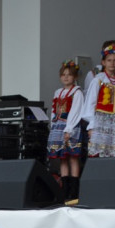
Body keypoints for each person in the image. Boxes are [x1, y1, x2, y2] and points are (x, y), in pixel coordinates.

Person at [81, 42, 115, 158]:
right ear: (103, 62)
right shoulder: (98, 80)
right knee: (102, 153)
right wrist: (92, 126)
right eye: (109, 60)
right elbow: (90, 104)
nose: (112, 63)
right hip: (102, 123)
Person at [47, 59, 85, 202]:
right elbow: (54, 110)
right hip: (58, 127)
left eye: (69, 75)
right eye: (63, 75)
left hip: (71, 127)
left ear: (75, 77)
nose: (66, 77)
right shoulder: (58, 92)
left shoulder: (77, 92)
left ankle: (74, 191)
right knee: (62, 159)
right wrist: (53, 125)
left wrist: (69, 129)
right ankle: (65, 190)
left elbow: (76, 111)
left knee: (73, 158)